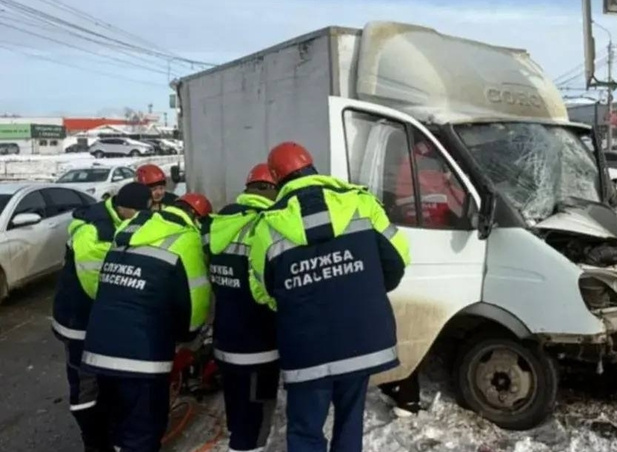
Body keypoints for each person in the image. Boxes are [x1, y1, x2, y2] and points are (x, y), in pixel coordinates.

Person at [249, 142, 410, 452]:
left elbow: (264, 291)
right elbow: (398, 260)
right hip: (361, 335)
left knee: (305, 428)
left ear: (275, 178)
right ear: (312, 165)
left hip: (307, 345)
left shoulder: (267, 228)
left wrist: (296, 303)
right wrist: (364, 292)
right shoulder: (362, 204)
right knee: (351, 419)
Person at [81, 192, 213, 452]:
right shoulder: (186, 239)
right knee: (142, 435)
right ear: (198, 219)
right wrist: (187, 338)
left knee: (116, 426)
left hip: (98, 349)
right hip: (142, 357)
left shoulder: (132, 227)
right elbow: (194, 305)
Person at [52, 182, 153, 452]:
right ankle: (95, 442)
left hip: (97, 321)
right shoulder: (96, 231)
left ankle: (108, 430)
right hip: (80, 322)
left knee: (106, 382)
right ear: (125, 209)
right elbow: (98, 285)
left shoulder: (116, 221)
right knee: (85, 385)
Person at [202, 163, 280, 452]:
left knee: (237, 409)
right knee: (255, 424)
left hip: (226, 339)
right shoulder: (268, 225)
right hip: (259, 345)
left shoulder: (217, 223)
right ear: (271, 189)